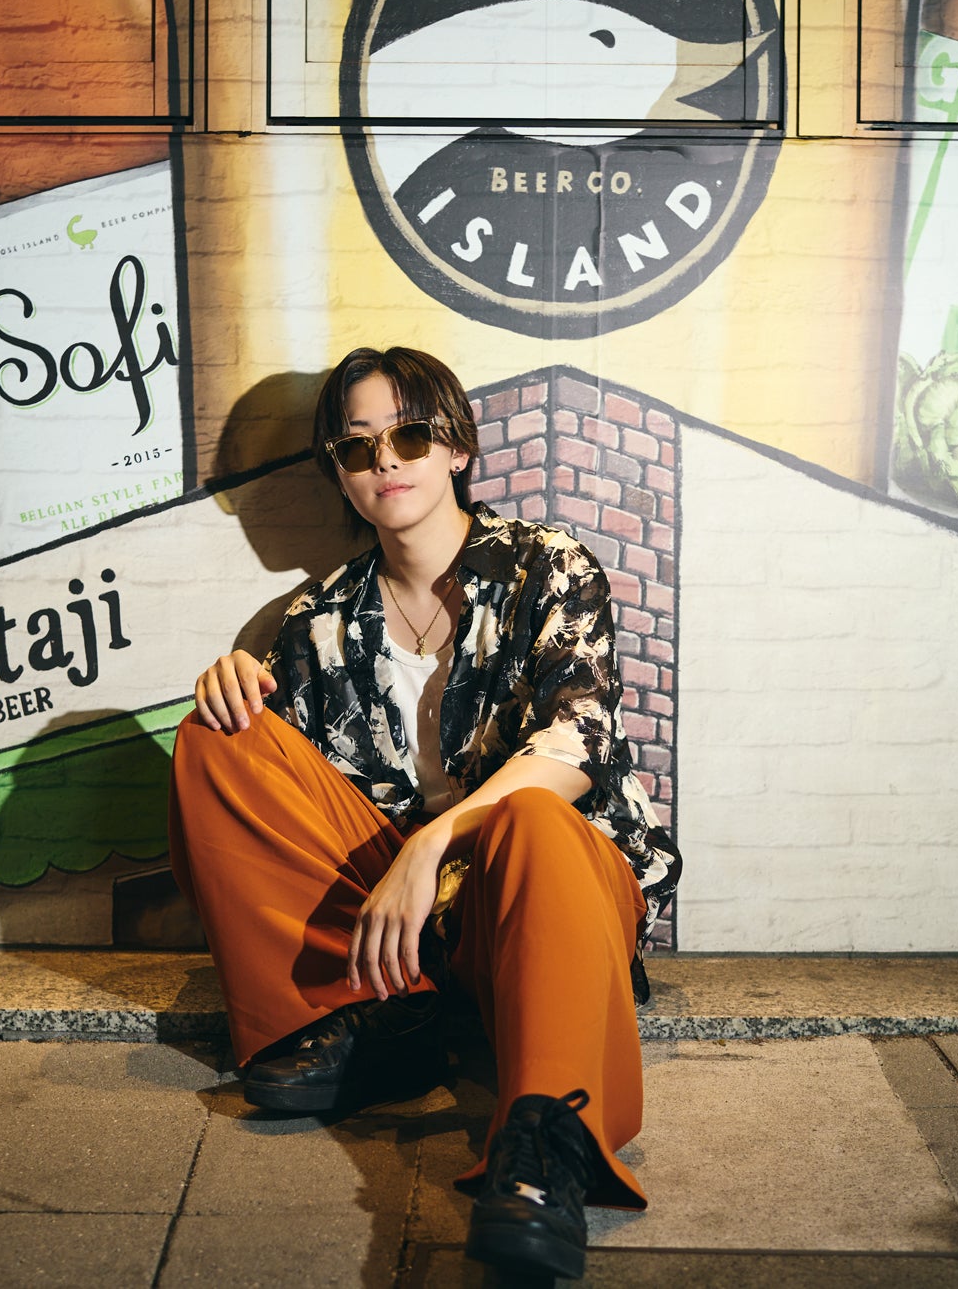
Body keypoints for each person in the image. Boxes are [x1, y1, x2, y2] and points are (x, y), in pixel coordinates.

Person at [166, 346, 679, 1280]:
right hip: (412, 923)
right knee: (215, 739)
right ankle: (377, 1020)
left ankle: (545, 1146)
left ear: (456, 448)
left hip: (543, 883)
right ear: (339, 472)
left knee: (528, 820)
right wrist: (236, 683)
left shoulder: (545, 565)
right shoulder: (317, 622)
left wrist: (435, 841)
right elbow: (288, 810)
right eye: (357, 446)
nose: (385, 461)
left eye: (408, 435)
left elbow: (577, 742)